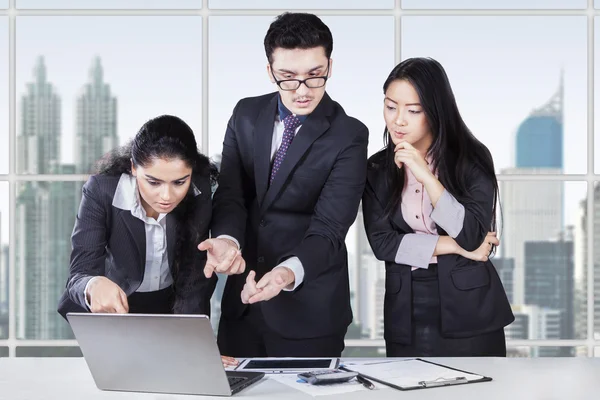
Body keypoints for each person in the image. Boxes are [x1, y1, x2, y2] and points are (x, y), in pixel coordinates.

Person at [199, 12, 368, 357]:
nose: (302, 91)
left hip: (309, 312)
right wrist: (228, 240)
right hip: (242, 304)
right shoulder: (245, 115)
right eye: (288, 78)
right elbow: (232, 194)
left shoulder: (349, 135)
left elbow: (330, 228)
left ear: (329, 66)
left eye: (315, 76)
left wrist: (285, 274)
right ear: (270, 72)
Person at [362, 57, 514, 357]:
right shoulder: (377, 169)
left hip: (470, 307)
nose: (398, 120)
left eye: (413, 111)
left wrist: (426, 176)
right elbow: (383, 244)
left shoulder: (472, 159)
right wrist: (456, 247)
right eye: (390, 107)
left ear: (434, 111)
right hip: (406, 308)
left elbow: (471, 233)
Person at [57, 115, 236, 367]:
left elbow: (193, 277)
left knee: (182, 373)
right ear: (133, 168)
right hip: (115, 307)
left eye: (179, 182)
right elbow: (80, 272)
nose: (167, 196)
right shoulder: (101, 190)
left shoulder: (199, 189)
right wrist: (93, 285)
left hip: (170, 304)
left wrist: (196, 345)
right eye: (153, 182)